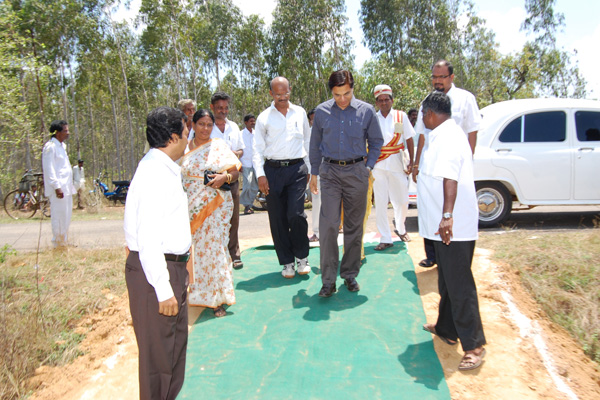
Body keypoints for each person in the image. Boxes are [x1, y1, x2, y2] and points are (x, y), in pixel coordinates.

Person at [124, 106, 191, 400]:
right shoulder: (154, 174)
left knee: (172, 354)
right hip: (156, 276)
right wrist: (163, 289)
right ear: (174, 136)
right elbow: (148, 238)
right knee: (158, 362)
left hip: (168, 269)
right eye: (186, 131)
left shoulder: (162, 169)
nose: (188, 137)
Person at [418, 91, 486, 371]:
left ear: (432, 114)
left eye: (423, 114)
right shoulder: (443, 134)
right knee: (446, 280)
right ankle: (447, 328)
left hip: (452, 227)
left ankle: (474, 345)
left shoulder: (447, 137)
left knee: (459, 284)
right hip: (442, 226)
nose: (422, 119)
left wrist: (447, 216)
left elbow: (450, 177)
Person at [309, 70, 383, 297]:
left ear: (353, 88)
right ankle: (328, 280)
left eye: (347, 93)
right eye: (337, 94)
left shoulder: (367, 111)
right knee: (329, 225)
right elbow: (315, 144)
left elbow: (377, 141)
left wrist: (368, 167)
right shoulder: (321, 112)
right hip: (329, 173)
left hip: (357, 173)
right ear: (331, 91)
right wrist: (313, 172)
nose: (342, 99)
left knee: (354, 226)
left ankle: (349, 274)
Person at [413, 59, 482, 269]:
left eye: (441, 77)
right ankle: (433, 255)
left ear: (451, 77)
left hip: (453, 167)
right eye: (434, 77)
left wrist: (467, 161)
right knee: (429, 208)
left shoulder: (465, 99)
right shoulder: (428, 101)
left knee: (451, 212)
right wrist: (417, 164)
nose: (437, 81)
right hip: (431, 164)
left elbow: (472, 131)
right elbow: (422, 136)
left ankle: (454, 257)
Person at [181, 109, 241, 316]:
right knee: (197, 252)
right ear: (193, 125)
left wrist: (224, 178)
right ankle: (199, 294)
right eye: (201, 124)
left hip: (217, 206)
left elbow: (234, 171)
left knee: (216, 249)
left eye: (209, 125)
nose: (205, 129)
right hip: (192, 207)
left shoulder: (218, 146)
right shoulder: (183, 149)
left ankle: (219, 299)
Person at [253, 77, 311, 279]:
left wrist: (309, 168)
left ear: (290, 90)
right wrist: (260, 174)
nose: (282, 97)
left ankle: (302, 257)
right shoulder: (264, 118)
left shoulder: (300, 113)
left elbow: (308, 140)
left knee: (296, 215)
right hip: (273, 171)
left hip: (297, 169)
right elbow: (257, 149)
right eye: (278, 94)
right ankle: (287, 262)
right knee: (277, 218)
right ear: (271, 94)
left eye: (285, 93)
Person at [372, 85, 415, 250]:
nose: (384, 103)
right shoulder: (373, 118)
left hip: (397, 162)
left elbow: (409, 139)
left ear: (392, 100)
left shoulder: (401, 116)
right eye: (380, 100)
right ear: (376, 102)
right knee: (381, 202)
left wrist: (411, 160)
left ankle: (401, 228)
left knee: (402, 201)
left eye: (386, 99)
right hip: (378, 164)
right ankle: (385, 237)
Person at [210, 91, 245, 269]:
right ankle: (216, 255)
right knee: (213, 217)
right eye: (219, 108)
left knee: (233, 218)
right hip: (212, 179)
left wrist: (234, 154)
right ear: (212, 108)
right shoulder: (205, 125)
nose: (223, 111)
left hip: (232, 177)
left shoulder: (234, 127)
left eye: (225, 108)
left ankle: (234, 254)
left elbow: (241, 150)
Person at [42, 120, 75, 247]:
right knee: (59, 216)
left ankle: (63, 241)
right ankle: (57, 243)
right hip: (58, 189)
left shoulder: (62, 147)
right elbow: (49, 169)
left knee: (66, 216)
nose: (68, 133)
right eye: (65, 131)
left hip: (66, 187)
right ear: (57, 132)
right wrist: (57, 187)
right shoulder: (50, 147)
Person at [240, 114, 259, 215]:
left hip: (256, 163)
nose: (253, 123)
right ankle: (246, 206)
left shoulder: (257, 134)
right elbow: (238, 148)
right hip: (245, 163)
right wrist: (238, 164)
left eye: (253, 121)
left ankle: (249, 205)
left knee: (255, 187)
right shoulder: (240, 134)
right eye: (251, 121)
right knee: (247, 186)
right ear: (246, 122)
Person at [307, 108, 320, 242]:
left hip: (332, 172)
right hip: (315, 174)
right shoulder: (308, 134)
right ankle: (317, 232)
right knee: (317, 203)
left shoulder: (330, 131)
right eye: (313, 119)